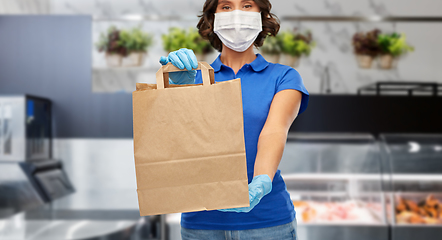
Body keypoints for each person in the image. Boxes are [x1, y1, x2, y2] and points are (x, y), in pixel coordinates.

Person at [159, 0, 309, 239]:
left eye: (247, 5)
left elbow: (274, 131)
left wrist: (260, 181)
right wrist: (174, 86)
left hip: (268, 223)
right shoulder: (193, 76)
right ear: (213, 17)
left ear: (261, 15)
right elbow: (172, 138)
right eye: (226, 6)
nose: (237, 13)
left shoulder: (284, 77)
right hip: (201, 223)